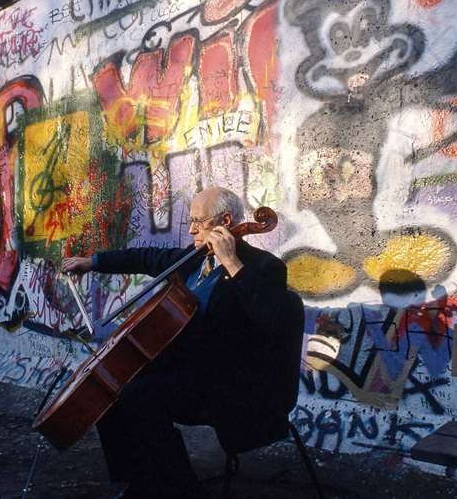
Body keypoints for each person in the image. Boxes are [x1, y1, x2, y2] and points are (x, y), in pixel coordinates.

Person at [62, 187, 295, 499]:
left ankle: (179, 490)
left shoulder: (263, 267)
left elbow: (270, 318)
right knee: (113, 388)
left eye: (198, 221)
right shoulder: (195, 258)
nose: (191, 229)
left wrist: (232, 263)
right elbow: (147, 257)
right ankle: (142, 481)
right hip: (191, 372)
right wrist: (92, 262)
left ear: (224, 221)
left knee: (139, 399)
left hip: (233, 384)